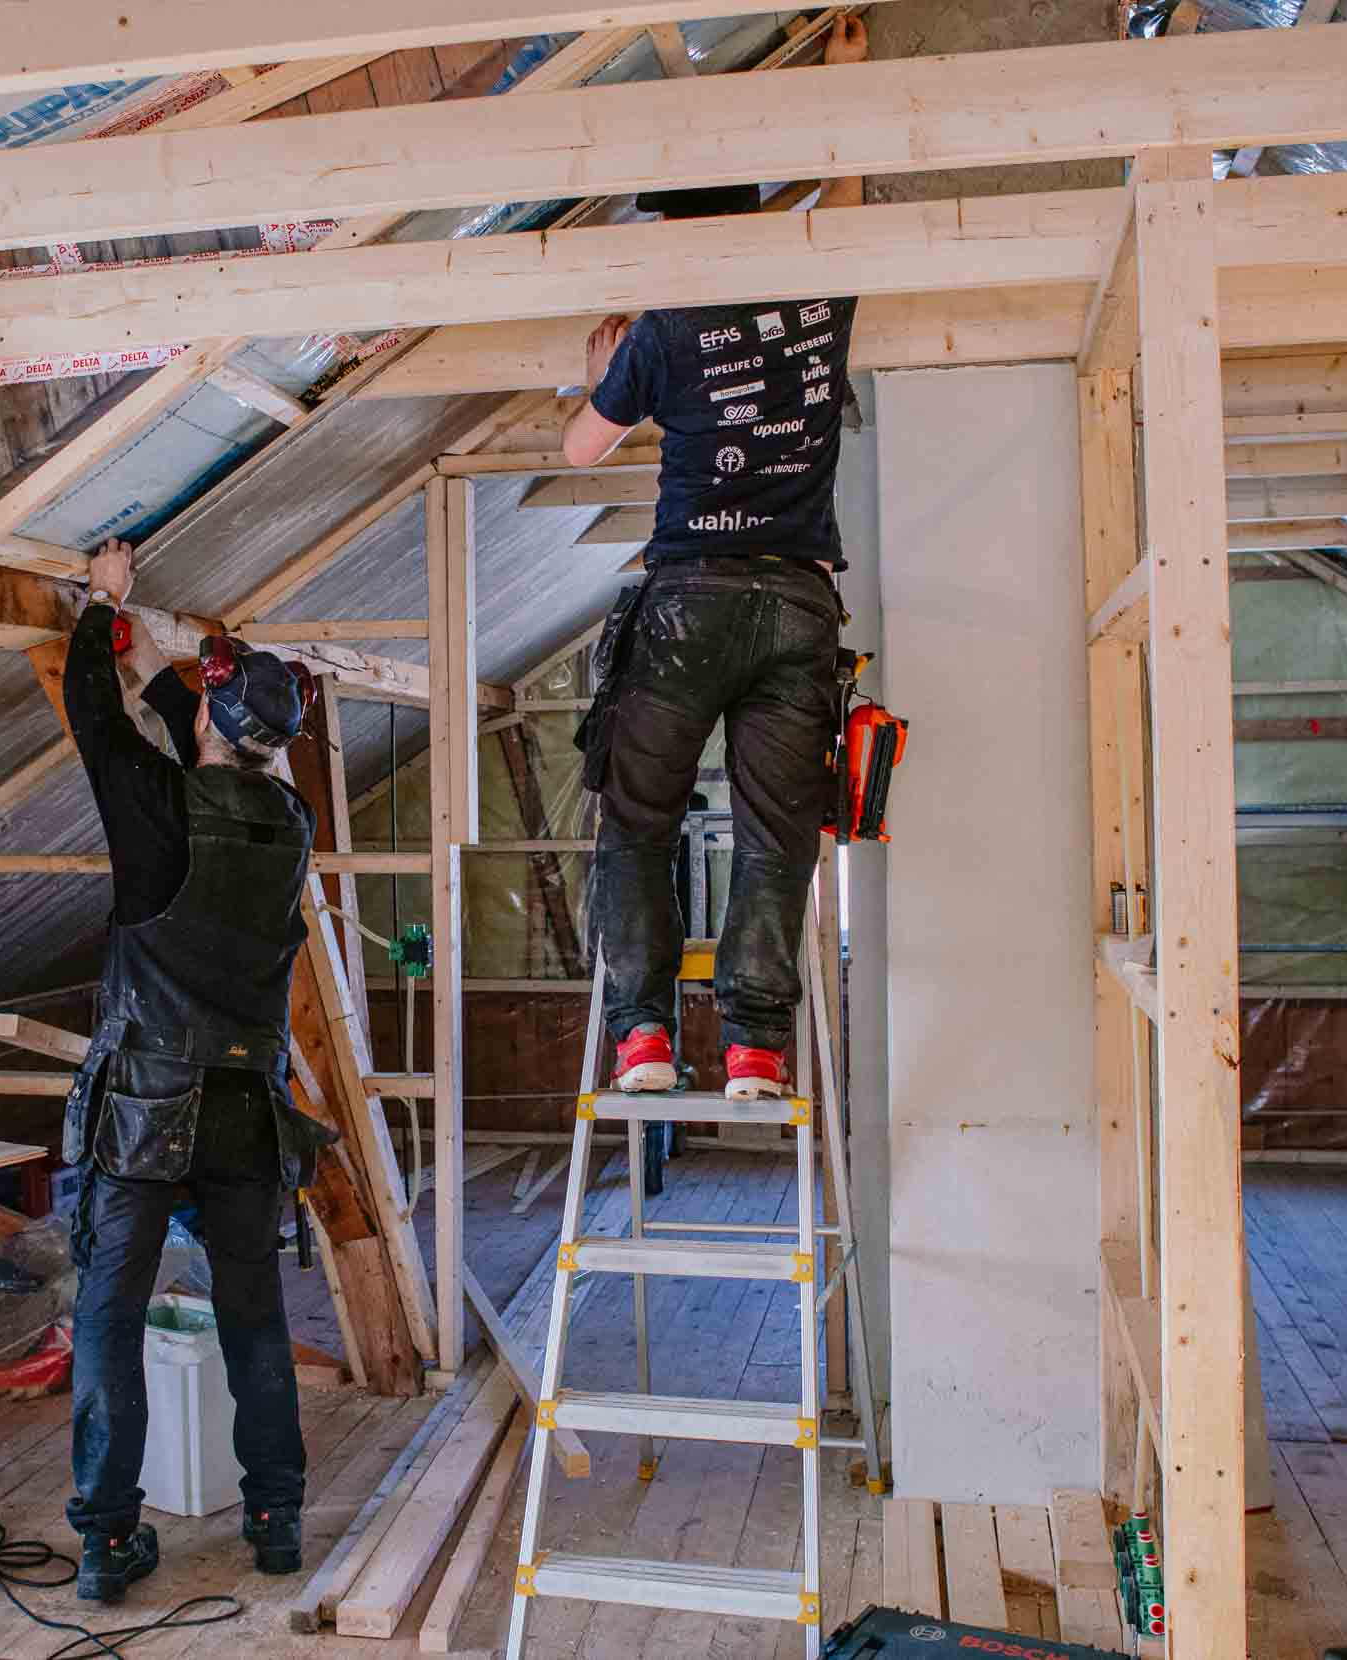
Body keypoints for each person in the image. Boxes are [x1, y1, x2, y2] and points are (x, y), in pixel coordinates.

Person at [561, 16, 867, 1101]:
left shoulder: (667, 323)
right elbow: (852, 202)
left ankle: (644, 1038)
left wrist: (604, 377)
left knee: (638, 817)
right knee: (777, 834)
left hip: (688, 600)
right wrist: (845, 82)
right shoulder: (819, 299)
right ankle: (754, 1048)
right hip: (797, 607)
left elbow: (576, 446)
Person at [55, 538, 333, 1601]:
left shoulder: (160, 812)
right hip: (244, 1111)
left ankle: (108, 1537)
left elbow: (96, 718)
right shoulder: (292, 825)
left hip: (144, 1111)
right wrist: (195, 673)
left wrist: (100, 607)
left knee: (110, 1317)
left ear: (218, 725)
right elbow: (191, 728)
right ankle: (274, 1517)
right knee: (252, 1315)